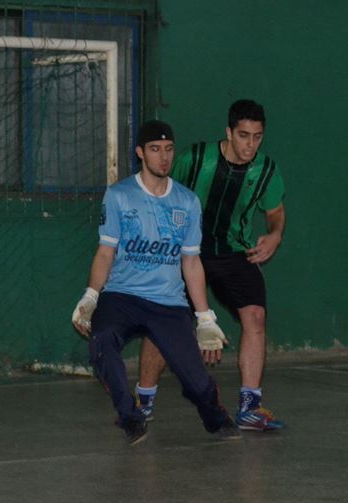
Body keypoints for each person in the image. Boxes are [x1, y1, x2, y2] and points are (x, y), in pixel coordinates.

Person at [71, 119, 239, 446]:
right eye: (154, 149)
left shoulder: (187, 202)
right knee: (102, 340)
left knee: (197, 383)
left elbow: (191, 262)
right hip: (122, 296)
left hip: (168, 303)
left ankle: (215, 417)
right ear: (140, 153)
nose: (163, 157)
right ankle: (130, 417)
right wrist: (91, 296)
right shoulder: (119, 196)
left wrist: (205, 317)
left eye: (168, 149)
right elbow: (105, 252)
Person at [134, 100, 287, 432]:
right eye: (243, 135)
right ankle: (142, 403)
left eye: (257, 137)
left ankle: (250, 407)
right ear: (228, 132)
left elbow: (274, 211)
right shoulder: (196, 159)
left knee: (255, 315)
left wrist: (275, 234)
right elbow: (163, 193)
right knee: (163, 323)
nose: (250, 144)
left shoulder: (266, 170)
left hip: (233, 251)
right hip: (185, 251)